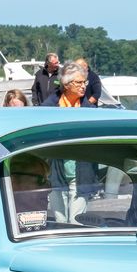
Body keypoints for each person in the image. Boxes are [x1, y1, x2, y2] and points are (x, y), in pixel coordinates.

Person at [43, 62, 100, 198]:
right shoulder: (47, 109)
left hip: (82, 173)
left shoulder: (91, 112)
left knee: (76, 219)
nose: (83, 86)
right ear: (67, 84)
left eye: (84, 82)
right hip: (54, 172)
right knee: (59, 218)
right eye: (79, 82)